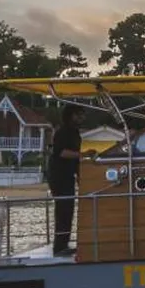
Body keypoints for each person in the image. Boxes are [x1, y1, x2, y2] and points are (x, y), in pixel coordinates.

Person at [49, 105, 82, 257]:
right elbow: (62, 153)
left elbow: (75, 161)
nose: (82, 118)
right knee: (62, 210)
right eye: (79, 115)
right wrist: (82, 154)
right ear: (71, 115)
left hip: (68, 176)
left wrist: (80, 177)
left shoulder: (76, 134)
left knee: (68, 210)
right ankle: (59, 247)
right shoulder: (62, 132)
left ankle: (64, 244)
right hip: (58, 176)